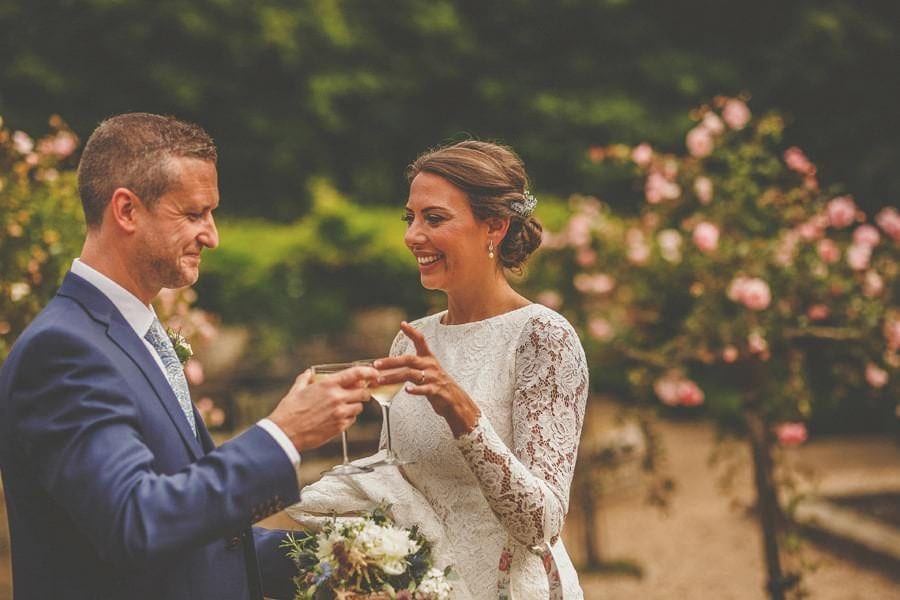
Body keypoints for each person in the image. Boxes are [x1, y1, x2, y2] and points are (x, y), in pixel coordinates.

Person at [0, 113, 375, 599]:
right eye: (194, 214)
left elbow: (201, 543)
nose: (212, 236)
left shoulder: (134, 334)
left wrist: (351, 559)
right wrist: (284, 434)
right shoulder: (62, 351)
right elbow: (138, 521)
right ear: (127, 210)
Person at [288, 140, 588, 598]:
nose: (413, 235)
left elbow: (540, 525)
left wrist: (463, 415)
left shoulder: (542, 336)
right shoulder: (412, 339)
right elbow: (393, 488)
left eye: (434, 218)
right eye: (410, 218)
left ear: (495, 226)